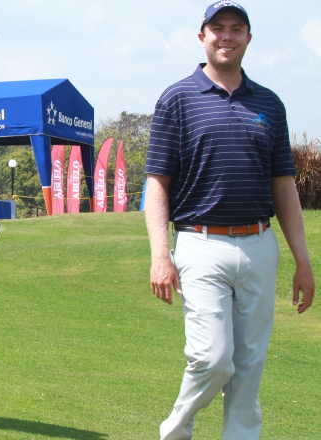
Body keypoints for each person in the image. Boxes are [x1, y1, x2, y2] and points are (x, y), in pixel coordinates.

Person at [144, 2, 315, 439]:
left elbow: (284, 186)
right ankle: (176, 432)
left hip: (259, 244)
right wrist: (160, 255)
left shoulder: (269, 104)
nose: (227, 35)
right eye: (217, 28)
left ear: (248, 39)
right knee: (213, 358)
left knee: (250, 364)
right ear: (202, 37)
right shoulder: (177, 98)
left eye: (236, 28)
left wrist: (303, 260)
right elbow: (158, 183)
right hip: (200, 244)